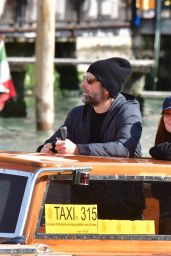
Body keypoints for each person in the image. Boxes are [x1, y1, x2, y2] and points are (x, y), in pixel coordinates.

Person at [37, 57, 145, 220]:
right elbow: (52, 142)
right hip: (82, 210)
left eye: (89, 80)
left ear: (106, 88)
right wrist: (45, 148)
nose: (83, 84)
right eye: (84, 79)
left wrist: (78, 150)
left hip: (122, 210)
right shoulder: (76, 114)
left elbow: (124, 148)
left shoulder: (129, 111)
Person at [149, 96, 171, 234]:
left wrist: (156, 150)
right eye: (167, 114)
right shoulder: (163, 139)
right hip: (165, 214)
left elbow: (163, 151)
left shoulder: (161, 148)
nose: (169, 118)